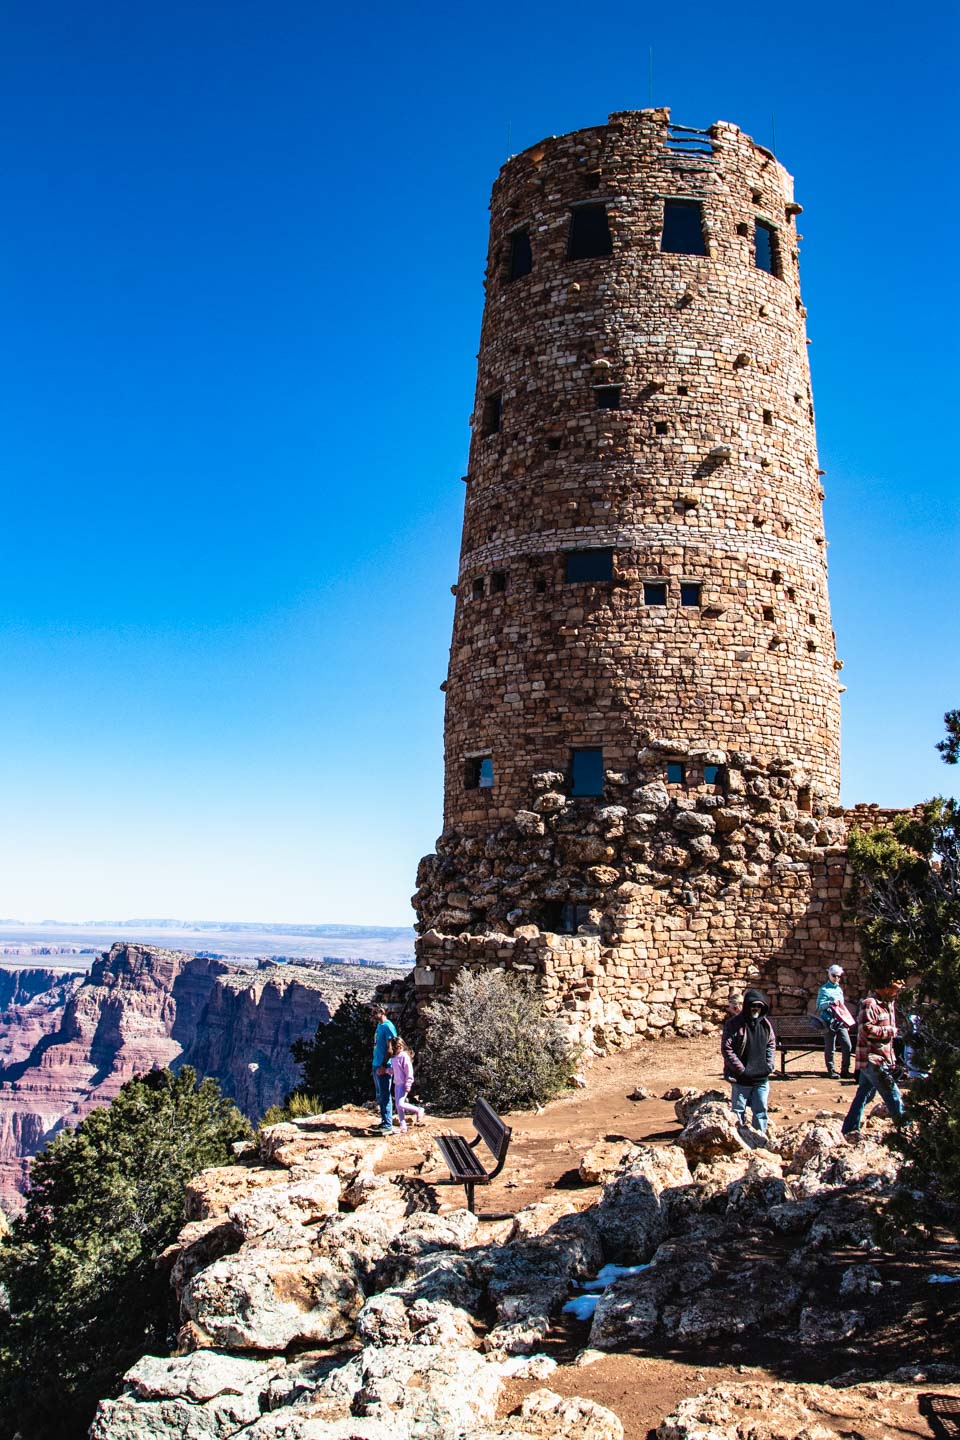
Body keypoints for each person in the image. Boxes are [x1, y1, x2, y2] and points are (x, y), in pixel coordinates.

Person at [841, 980, 906, 1136]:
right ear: (883, 988)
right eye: (894, 989)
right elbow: (865, 1029)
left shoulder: (889, 1005)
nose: (896, 993)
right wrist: (890, 1031)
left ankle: (849, 1128)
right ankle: (905, 1127)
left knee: (864, 1094)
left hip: (882, 1057)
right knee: (892, 1093)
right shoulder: (870, 1004)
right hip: (872, 1058)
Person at [721, 987, 776, 1134]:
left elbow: (771, 1044)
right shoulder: (734, 1024)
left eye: (759, 1006)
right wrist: (741, 1070)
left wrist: (769, 1065)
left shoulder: (765, 1024)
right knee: (738, 1112)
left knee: (761, 1111)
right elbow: (727, 1049)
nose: (756, 1009)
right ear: (747, 1006)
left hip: (761, 1078)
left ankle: (760, 1139)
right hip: (741, 1079)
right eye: (753, 1005)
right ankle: (738, 1139)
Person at [816, 963, 854, 1079]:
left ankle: (845, 1070)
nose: (837, 978)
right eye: (834, 976)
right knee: (830, 1047)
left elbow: (842, 1007)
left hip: (840, 1021)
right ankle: (831, 1070)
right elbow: (819, 1006)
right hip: (828, 1022)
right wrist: (830, 1003)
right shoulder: (823, 989)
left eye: (839, 976)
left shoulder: (839, 989)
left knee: (847, 1045)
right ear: (829, 975)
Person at [370, 1004, 397, 1137]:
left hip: (383, 1065)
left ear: (382, 1012)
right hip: (376, 1063)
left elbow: (390, 1049)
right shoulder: (379, 1026)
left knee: (385, 1095)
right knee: (380, 1094)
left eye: (375, 1012)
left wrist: (382, 1065)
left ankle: (388, 1125)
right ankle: (384, 1121)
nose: (373, 1015)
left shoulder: (388, 1026)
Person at [388, 1036, 424, 1132]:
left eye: (400, 1046)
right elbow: (395, 1070)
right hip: (397, 1084)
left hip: (403, 1084)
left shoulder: (404, 1056)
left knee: (400, 1104)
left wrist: (408, 1084)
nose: (399, 1048)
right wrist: (387, 1071)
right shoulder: (394, 1058)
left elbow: (409, 1072)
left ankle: (418, 1110)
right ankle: (403, 1126)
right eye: (396, 1046)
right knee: (398, 1106)